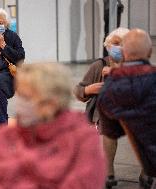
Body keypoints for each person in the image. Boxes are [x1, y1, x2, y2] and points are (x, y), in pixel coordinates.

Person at [0, 63, 106, 189]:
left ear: (51, 103)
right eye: (19, 95)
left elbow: (82, 183)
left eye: (26, 97)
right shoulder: (9, 136)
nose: (20, 103)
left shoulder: (83, 139)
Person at [97, 29, 156, 189]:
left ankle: (108, 174)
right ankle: (146, 175)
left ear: (124, 53)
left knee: (107, 129)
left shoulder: (110, 84)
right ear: (150, 53)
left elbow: (108, 123)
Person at [74, 27, 129, 189]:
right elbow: (78, 89)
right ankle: (107, 172)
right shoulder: (99, 65)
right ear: (108, 45)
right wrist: (88, 90)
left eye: (123, 44)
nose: (119, 47)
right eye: (115, 43)